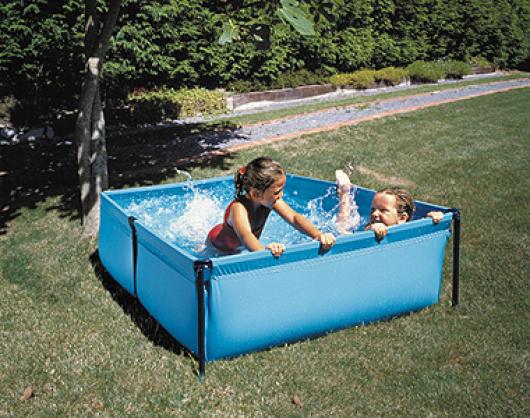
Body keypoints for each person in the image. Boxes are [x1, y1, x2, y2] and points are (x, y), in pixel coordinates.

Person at [207, 157, 336, 256]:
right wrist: (264, 253)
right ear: (256, 194)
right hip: (217, 247)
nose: (281, 195)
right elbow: (246, 236)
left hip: (238, 248)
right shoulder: (239, 208)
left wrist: (318, 235)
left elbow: (294, 217)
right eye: (277, 192)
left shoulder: (269, 200)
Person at [335, 170, 444, 240]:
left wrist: (431, 218)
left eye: (383, 210)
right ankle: (344, 193)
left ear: (402, 218)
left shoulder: (409, 232)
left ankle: (344, 192)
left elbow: (422, 230)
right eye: (373, 209)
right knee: (343, 231)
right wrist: (372, 228)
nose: (374, 213)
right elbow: (367, 230)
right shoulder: (371, 228)